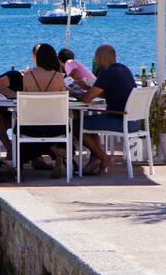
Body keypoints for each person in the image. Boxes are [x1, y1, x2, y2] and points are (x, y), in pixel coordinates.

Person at [73, 44, 137, 176]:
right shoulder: (123, 69)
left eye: (96, 59)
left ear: (102, 59)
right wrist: (87, 88)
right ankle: (94, 159)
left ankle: (103, 157)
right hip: (134, 121)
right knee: (90, 123)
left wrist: (71, 91)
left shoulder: (106, 73)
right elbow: (106, 93)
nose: (95, 62)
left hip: (119, 120)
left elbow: (86, 99)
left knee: (75, 125)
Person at [16, 44, 67, 172]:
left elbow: (25, 100)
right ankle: (57, 153)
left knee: (16, 124)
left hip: (30, 127)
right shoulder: (58, 76)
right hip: (56, 126)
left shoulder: (27, 75)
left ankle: (21, 165)